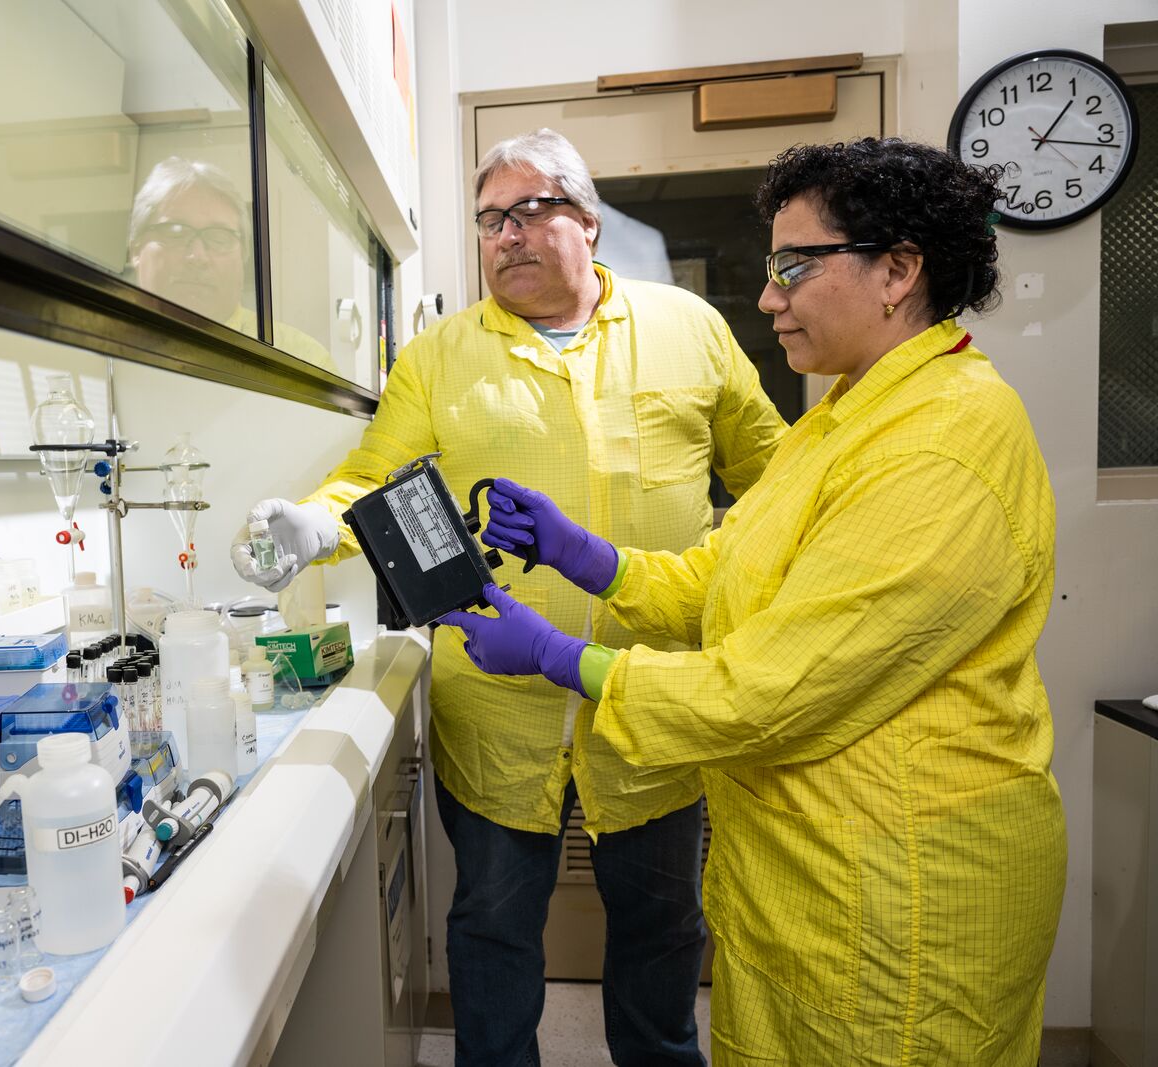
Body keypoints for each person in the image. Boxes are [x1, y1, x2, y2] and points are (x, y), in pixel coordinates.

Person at [443, 138, 1065, 1066]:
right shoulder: (845, 417)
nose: (769, 297)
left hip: (899, 893)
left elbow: (768, 688)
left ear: (898, 270)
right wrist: (596, 560)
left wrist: (561, 658)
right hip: (811, 873)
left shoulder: (941, 445)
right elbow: (729, 576)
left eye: (793, 269)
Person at [231, 128, 787, 1066]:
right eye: (491, 219)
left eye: (532, 211)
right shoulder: (439, 357)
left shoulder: (689, 330)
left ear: (589, 224)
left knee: (663, 937)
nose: (508, 235)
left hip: (651, 703)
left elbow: (776, 472)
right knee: (491, 933)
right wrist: (322, 526)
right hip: (496, 712)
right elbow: (373, 474)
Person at [128, 156, 336, 372]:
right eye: (175, 232)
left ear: (243, 255)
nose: (198, 257)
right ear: (135, 249)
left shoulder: (304, 362)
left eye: (219, 238)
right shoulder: (99, 343)